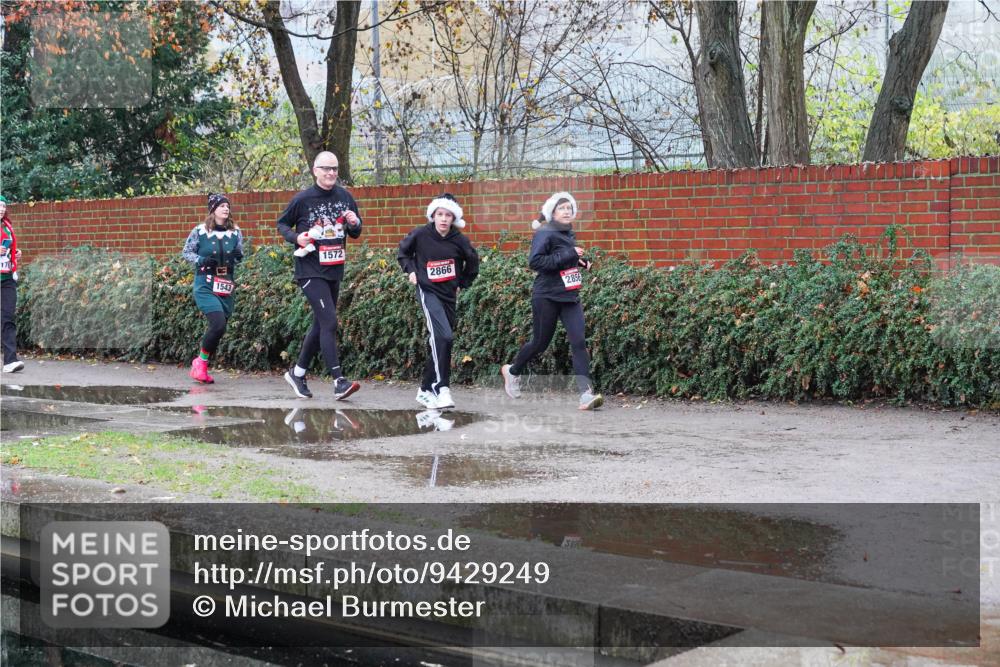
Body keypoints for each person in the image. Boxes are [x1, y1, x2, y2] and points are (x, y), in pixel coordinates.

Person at [500, 192, 603, 410]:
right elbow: (536, 262)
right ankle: (512, 371)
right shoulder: (545, 232)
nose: (567, 211)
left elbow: (563, 258)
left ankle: (585, 394)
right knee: (540, 343)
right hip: (546, 295)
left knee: (579, 341)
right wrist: (569, 254)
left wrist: (580, 261)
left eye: (569, 208)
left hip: (569, 296)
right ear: (552, 212)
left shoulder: (568, 233)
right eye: (562, 208)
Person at [277, 151, 362, 400]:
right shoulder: (302, 199)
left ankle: (298, 373)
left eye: (335, 169)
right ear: (315, 170)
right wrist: (296, 237)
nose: (331, 173)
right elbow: (282, 224)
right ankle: (339, 381)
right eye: (326, 168)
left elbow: (356, 231)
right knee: (330, 322)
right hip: (310, 270)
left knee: (321, 323)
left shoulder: (345, 197)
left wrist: (355, 222)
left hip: (334, 268)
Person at [397, 193, 479, 410]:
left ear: (454, 219)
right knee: (444, 336)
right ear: (433, 215)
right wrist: (411, 271)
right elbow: (403, 253)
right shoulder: (420, 234)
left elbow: (472, 262)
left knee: (440, 340)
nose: (443, 219)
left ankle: (424, 390)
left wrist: (463, 283)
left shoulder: (459, 240)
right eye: (440, 214)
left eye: (448, 215)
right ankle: (441, 388)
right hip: (427, 291)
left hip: (448, 295)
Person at [181, 193, 244, 384]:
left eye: (228, 205)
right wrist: (201, 259)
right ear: (213, 209)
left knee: (219, 329)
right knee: (218, 324)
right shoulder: (199, 231)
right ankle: (200, 364)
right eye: (222, 205)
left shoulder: (235, 231)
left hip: (226, 284)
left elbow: (240, 255)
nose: (226, 208)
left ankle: (202, 363)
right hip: (205, 284)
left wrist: (237, 256)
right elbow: (186, 252)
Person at [1, 195, 24, 373]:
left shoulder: (7, 226)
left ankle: (10, 361)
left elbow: (8, 248)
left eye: (3, 206)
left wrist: (15, 253)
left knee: (8, 318)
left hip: (7, 277)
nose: (1, 209)